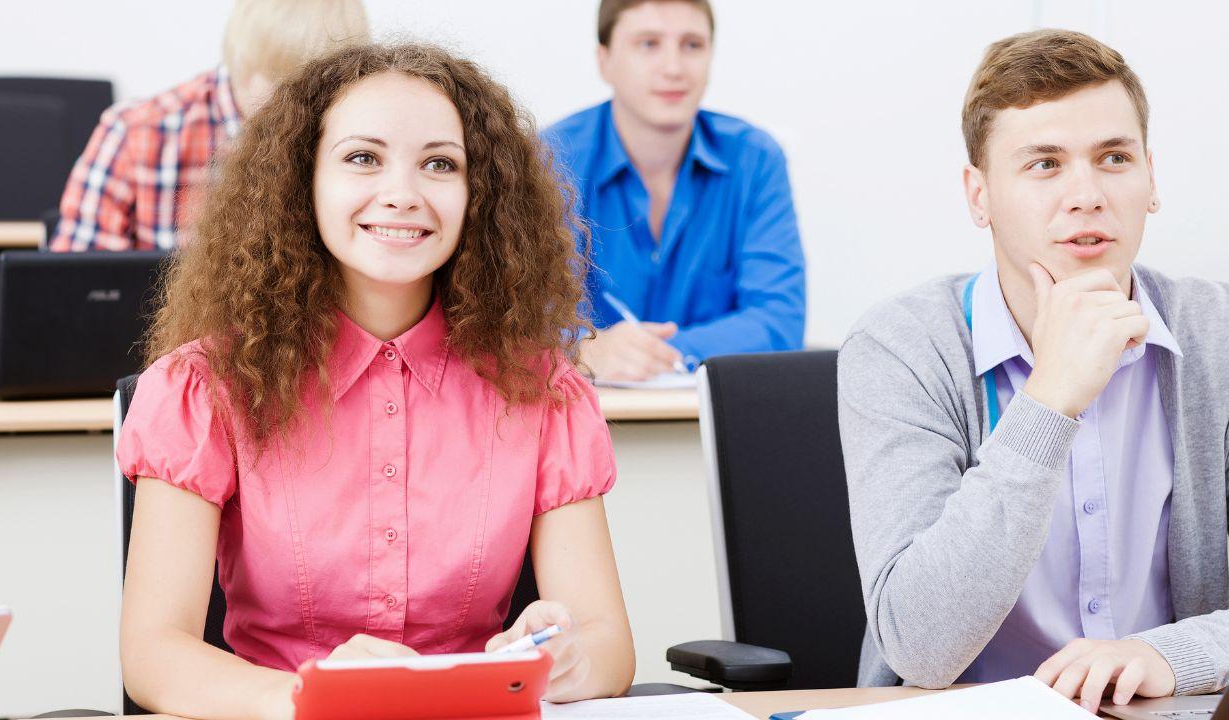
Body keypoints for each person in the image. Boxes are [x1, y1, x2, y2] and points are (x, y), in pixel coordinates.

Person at [116, 43, 635, 718]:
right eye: (363, 157)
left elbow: (608, 643)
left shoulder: (543, 391)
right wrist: (311, 696)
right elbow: (153, 653)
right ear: (302, 180)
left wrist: (570, 659)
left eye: (440, 164)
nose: (402, 194)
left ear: (481, 195)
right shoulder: (205, 387)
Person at [838, 28, 1229, 713]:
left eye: (1114, 158)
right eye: (1045, 164)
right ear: (979, 195)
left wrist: (1171, 654)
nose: (1086, 194)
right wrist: (1049, 400)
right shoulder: (901, 347)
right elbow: (919, 647)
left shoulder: (1216, 333)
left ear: (1151, 177)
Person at [543, 0, 806, 381]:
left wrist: (659, 352)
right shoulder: (550, 160)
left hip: (711, 408)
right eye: (648, 44)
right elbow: (520, 319)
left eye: (692, 45)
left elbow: (779, 321)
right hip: (584, 406)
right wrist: (586, 349)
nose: (674, 68)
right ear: (605, 61)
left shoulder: (756, 159)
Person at [48, 0, 369, 251]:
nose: (303, 110)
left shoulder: (355, 137)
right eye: (287, 87)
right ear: (243, 62)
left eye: (323, 92)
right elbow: (76, 285)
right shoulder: (136, 131)